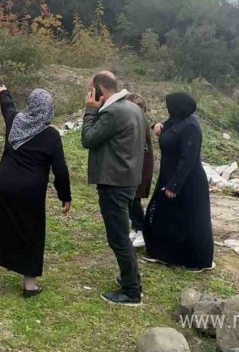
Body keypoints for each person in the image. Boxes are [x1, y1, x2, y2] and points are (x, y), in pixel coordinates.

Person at [0, 87, 72, 298]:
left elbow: (7, 107)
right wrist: (65, 196)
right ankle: (30, 286)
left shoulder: (15, 122)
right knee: (30, 234)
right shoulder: (52, 136)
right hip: (30, 194)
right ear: (48, 109)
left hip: (1, 187)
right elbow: (61, 170)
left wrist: (4, 92)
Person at [81, 71, 145, 305]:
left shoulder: (112, 112)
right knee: (121, 234)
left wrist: (90, 110)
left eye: (91, 88)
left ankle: (131, 291)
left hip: (114, 182)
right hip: (128, 178)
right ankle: (131, 278)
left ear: (99, 89)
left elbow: (88, 139)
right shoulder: (132, 107)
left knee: (118, 237)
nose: (89, 93)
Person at [142, 93, 214, 272]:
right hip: (169, 176)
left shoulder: (191, 127)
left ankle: (196, 261)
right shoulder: (175, 121)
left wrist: (175, 184)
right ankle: (165, 255)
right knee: (166, 215)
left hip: (187, 182)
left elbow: (188, 159)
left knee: (190, 221)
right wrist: (156, 125)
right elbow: (168, 130)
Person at [125, 93, 155, 249]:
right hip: (135, 164)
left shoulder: (140, 121)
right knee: (130, 198)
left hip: (140, 165)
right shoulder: (137, 120)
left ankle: (142, 230)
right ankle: (136, 228)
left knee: (134, 198)